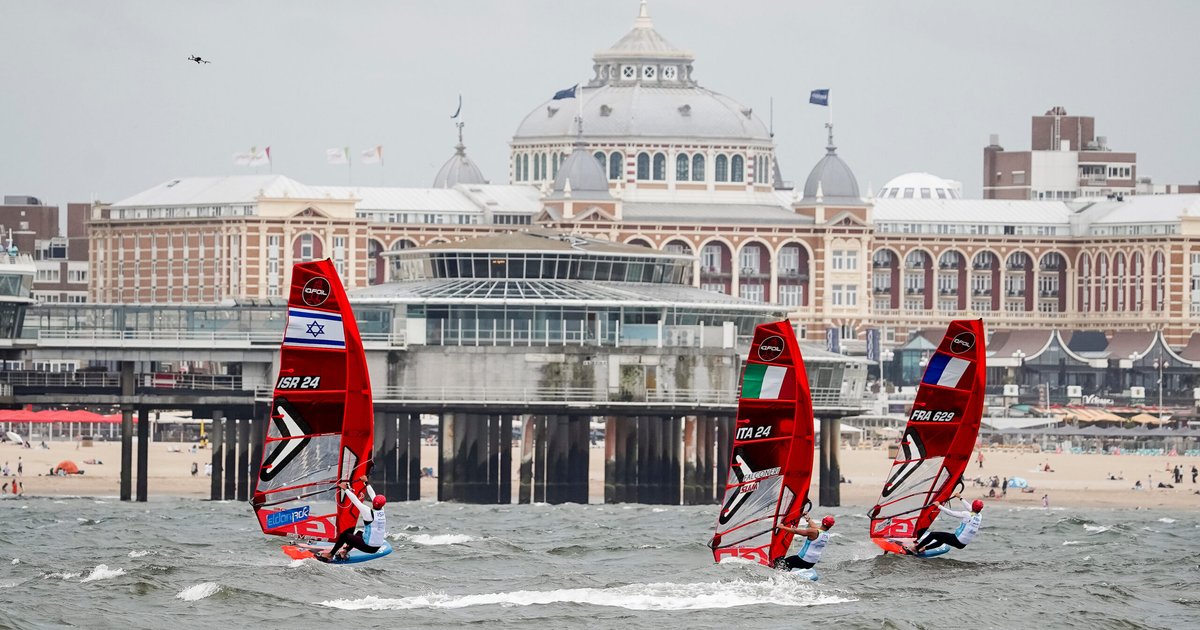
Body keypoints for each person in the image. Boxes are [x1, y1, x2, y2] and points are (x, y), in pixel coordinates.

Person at [319, 476, 387, 562]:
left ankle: (330, 555)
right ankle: (344, 552)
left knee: (344, 536)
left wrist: (346, 489)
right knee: (358, 533)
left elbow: (356, 501)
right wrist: (366, 483)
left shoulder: (368, 512)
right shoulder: (382, 511)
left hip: (369, 547)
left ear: (373, 503)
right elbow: (373, 495)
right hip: (377, 546)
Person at [907, 495, 982, 555]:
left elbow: (951, 513)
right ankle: (924, 548)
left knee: (933, 535)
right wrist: (960, 498)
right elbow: (970, 508)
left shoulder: (967, 514)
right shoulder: (979, 516)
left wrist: (939, 506)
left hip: (957, 540)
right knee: (942, 539)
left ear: (973, 506)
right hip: (963, 544)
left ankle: (916, 549)